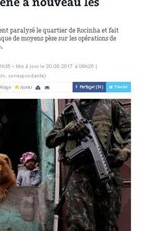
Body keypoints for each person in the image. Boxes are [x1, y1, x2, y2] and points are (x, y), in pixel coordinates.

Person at [46, 99, 131, 231]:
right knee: (78, 223)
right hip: (78, 174)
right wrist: (67, 130)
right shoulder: (68, 111)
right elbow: (50, 140)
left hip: (107, 172)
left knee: (108, 225)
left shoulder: (111, 104)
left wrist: (126, 151)